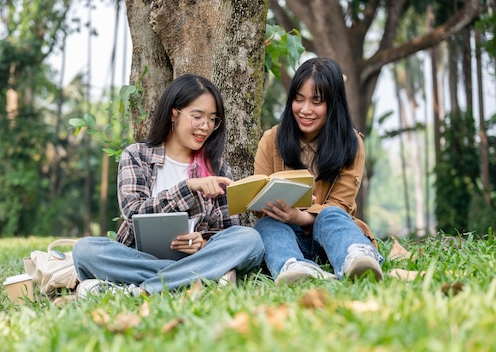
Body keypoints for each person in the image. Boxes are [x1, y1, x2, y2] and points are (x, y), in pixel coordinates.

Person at [73, 73, 264, 296]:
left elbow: (227, 232)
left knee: (249, 240)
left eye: (212, 119)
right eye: (197, 116)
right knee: (85, 251)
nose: (205, 126)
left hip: (197, 258)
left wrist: (202, 243)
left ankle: (139, 290)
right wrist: (189, 186)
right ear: (174, 113)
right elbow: (133, 211)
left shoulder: (218, 168)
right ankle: (197, 280)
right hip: (138, 258)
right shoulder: (137, 156)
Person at [253, 57, 384, 284]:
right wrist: (270, 205)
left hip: (332, 237)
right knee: (266, 225)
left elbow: (340, 205)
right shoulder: (271, 139)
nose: (305, 110)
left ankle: (356, 258)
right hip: (288, 238)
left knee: (331, 214)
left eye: (316, 101)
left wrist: (301, 215)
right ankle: (293, 267)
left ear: (333, 104)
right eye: (299, 99)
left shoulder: (351, 143)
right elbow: (257, 206)